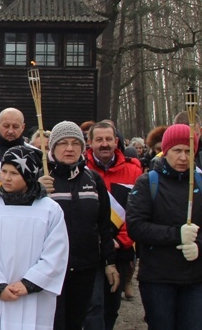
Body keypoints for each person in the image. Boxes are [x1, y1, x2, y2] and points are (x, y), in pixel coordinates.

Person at [0, 146, 69, 330]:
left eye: (14, 173)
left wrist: (29, 284)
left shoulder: (49, 210)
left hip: (34, 297)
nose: (6, 177)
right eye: (4, 171)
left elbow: (56, 253)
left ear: (29, 175)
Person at [37, 121, 118, 330]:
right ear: (53, 147)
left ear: (83, 147)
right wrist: (35, 191)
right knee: (54, 323)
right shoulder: (41, 177)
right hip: (50, 266)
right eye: (63, 143)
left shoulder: (93, 179)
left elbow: (103, 225)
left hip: (85, 266)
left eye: (75, 143)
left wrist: (109, 261)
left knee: (78, 321)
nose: (70, 148)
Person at [127, 124, 202, 330]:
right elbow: (136, 226)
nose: (183, 157)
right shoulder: (147, 183)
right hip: (158, 278)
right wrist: (176, 234)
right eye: (177, 150)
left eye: (189, 151)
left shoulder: (200, 183)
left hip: (195, 278)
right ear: (165, 151)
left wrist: (199, 246)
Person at [84, 121, 142, 330]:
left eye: (109, 139)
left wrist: (120, 241)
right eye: (99, 140)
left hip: (120, 250)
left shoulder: (133, 171)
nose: (104, 144)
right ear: (89, 143)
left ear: (116, 141)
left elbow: (137, 213)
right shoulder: (81, 170)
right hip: (91, 250)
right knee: (93, 305)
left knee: (111, 306)